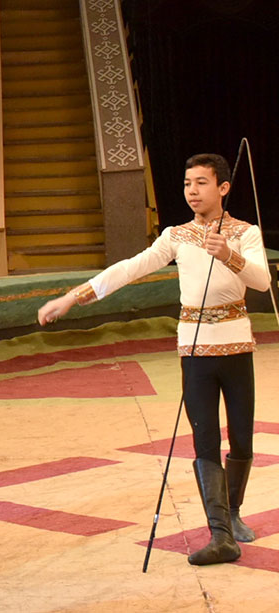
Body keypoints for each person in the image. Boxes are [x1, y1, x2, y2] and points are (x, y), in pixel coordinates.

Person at [37, 153, 270, 566]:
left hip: (236, 346)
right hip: (194, 350)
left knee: (242, 439)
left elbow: (263, 280)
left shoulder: (244, 233)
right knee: (204, 441)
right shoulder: (176, 236)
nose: (192, 191)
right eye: (186, 184)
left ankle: (232, 514)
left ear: (223, 188)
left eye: (201, 183)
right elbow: (130, 268)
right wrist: (72, 298)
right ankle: (220, 536)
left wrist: (228, 254)